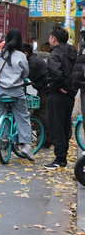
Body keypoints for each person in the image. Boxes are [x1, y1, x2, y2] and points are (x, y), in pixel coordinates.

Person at [0, 28, 34, 161]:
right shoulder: (21, 56)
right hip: (16, 91)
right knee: (23, 116)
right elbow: (25, 74)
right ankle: (25, 145)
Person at [43, 25, 77, 169]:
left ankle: (60, 159)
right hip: (70, 95)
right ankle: (63, 156)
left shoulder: (55, 54)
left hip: (58, 94)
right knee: (64, 126)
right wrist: (71, 89)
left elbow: (55, 72)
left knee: (55, 125)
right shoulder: (72, 52)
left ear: (54, 39)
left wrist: (58, 86)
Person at [22, 42, 48, 146]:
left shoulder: (33, 62)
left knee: (42, 114)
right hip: (43, 88)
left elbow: (26, 77)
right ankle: (42, 137)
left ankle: (44, 140)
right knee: (38, 112)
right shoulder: (33, 59)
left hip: (46, 89)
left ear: (25, 53)